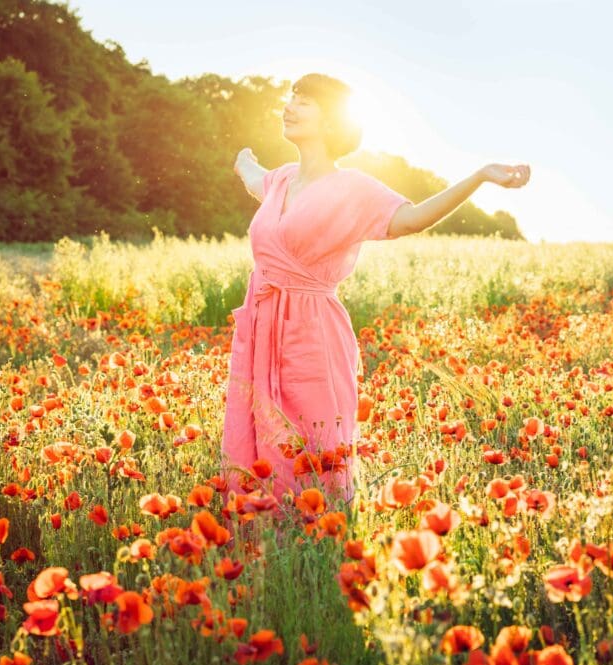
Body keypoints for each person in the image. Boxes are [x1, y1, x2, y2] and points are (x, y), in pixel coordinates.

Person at [221, 72, 529, 510]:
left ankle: (320, 546)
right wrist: (243, 160)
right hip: (261, 327)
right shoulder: (280, 181)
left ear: (331, 122)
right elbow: (253, 176)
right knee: (260, 438)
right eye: (291, 97)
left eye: (304, 101)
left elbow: (413, 217)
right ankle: (264, 544)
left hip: (313, 335)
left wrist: (479, 177)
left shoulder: (355, 188)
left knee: (315, 443)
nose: (290, 106)